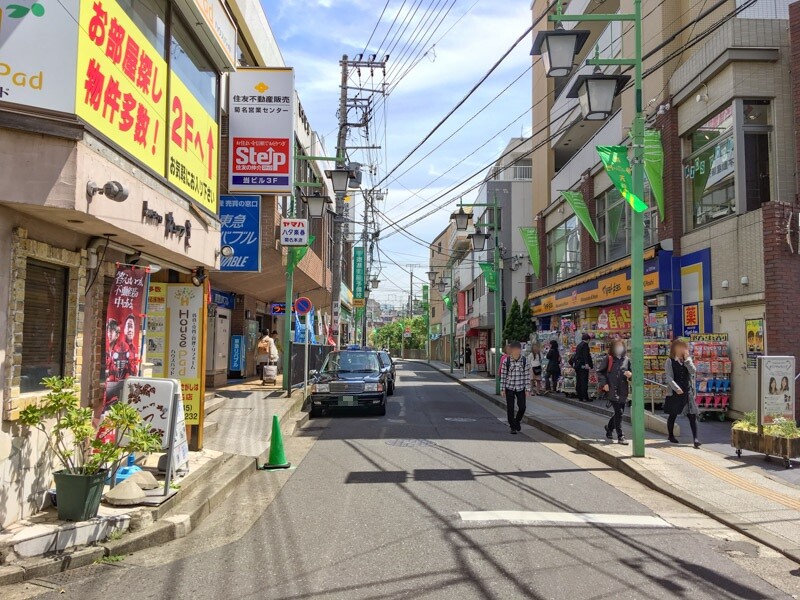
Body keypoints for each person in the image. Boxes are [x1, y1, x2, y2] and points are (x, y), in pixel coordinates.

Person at [664, 339, 701, 448]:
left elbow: (693, 371)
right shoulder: (669, 361)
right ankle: (670, 435)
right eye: (679, 347)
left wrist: (687, 360)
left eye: (683, 347)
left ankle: (696, 439)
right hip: (675, 392)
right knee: (673, 414)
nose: (681, 349)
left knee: (692, 415)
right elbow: (669, 377)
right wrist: (676, 388)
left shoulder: (687, 360)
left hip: (687, 390)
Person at [597, 339, 632, 445]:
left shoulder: (626, 359)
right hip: (611, 389)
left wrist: (630, 375)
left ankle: (609, 428)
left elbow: (632, 372)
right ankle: (621, 436)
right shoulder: (608, 358)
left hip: (623, 389)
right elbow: (600, 372)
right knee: (619, 412)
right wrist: (604, 384)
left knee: (619, 412)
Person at [500, 341, 530, 434]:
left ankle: (517, 421)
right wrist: (502, 389)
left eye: (518, 349)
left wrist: (528, 389)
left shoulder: (525, 361)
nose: (516, 351)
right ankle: (513, 426)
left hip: (521, 387)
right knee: (510, 407)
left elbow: (527, 376)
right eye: (514, 349)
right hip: (510, 387)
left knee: (522, 407)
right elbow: (503, 376)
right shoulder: (507, 361)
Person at [572, 332, 594, 402]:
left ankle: (580, 396)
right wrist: (587, 364)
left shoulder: (579, 345)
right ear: (588, 339)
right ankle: (585, 397)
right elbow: (585, 355)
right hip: (583, 365)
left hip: (578, 365)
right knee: (584, 381)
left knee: (579, 380)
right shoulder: (585, 345)